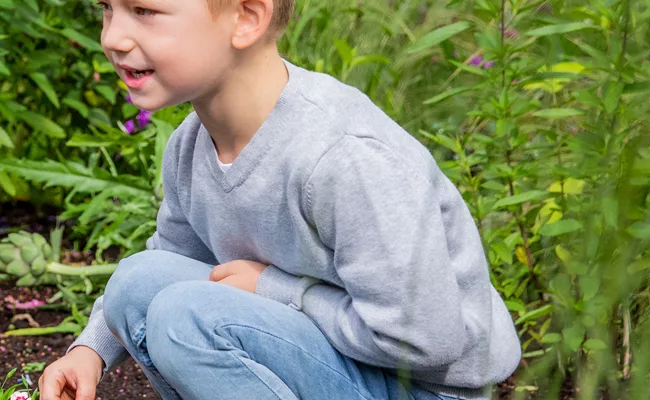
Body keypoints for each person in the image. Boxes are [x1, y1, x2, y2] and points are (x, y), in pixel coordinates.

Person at [36, 0, 521, 399]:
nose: (113, 37)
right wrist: (90, 351)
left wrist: (279, 290)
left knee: (187, 319)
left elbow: (426, 340)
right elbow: (170, 259)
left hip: (424, 387)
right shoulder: (191, 144)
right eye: (107, 9)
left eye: (144, 11)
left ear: (246, 17)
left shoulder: (344, 156)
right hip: (335, 356)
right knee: (138, 281)